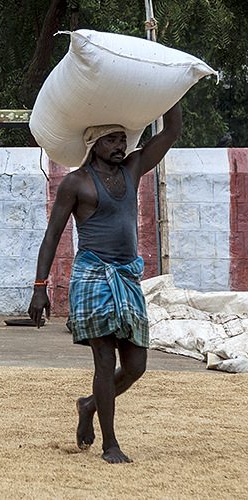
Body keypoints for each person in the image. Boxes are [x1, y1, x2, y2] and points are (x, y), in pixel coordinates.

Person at [28, 102, 182, 464]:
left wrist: (170, 89)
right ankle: (110, 444)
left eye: (122, 139)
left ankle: (88, 406)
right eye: (111, 139)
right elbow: (52, 236)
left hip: (127, 276)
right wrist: (40, 287)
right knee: (103, 359)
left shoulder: (134, 168)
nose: (120, 145)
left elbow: (171, 131)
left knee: (135, 366)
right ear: (93, 144)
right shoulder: (76, 182)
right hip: (92, 276)